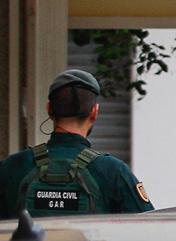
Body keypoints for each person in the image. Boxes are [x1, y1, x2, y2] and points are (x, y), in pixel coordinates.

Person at [0, 69, 152, 218]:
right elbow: (147, 229)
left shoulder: (12, 167)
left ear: (49, 109)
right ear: (94, 112)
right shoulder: (114, 172)